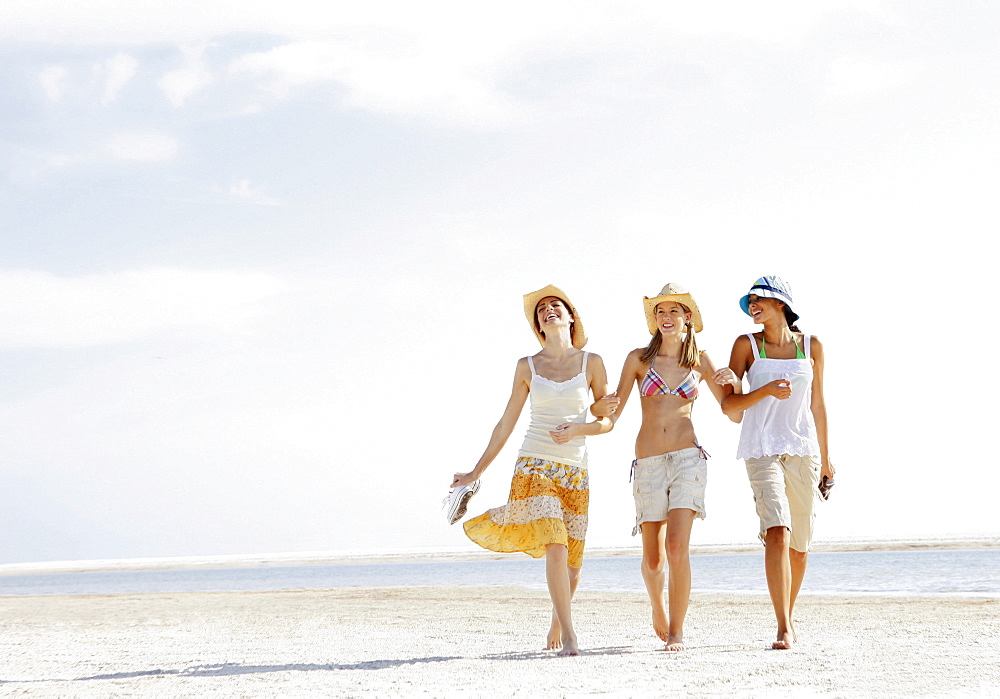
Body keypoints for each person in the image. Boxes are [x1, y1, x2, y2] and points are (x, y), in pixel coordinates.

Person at [451, 284, 613, 657]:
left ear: (571, 316)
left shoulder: (593, 362)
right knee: (555, 543)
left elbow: (607, 422)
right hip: (533, 464)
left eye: (556, 305)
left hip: (575, 470)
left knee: (572, 564)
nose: (548, 310)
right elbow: (506, 423)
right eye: (541, 310)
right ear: (538, 324)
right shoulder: (527, 366)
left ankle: (557, 620)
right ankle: (571, 636)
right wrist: (476, 471)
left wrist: (580, 427)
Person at [592, 283, 742, 651]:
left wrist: (736, 382)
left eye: (674, 311)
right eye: (660, 312)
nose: (666, 318)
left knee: (677, 548)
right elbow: (611, 415)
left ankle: (676, 632)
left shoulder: (701, 361)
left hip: (688, 459)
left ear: (687, 317)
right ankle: (657, 606)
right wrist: (597, 410)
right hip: (648, 463)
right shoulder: (638, 359)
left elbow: (733, 413)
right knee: (654, 559)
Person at [720, 275, 834, 650]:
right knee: (777, 531)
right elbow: (730, 405)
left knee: (800, 547)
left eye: (760, 300)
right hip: (761, 448)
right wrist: (760, 388)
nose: (753, 306)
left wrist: (827, 459)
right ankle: (783, 625)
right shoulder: (746, 344)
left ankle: (789, 611)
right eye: (750, 301)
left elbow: (818, 404)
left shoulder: (811, 345)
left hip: (803, 450)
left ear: (781, 303)